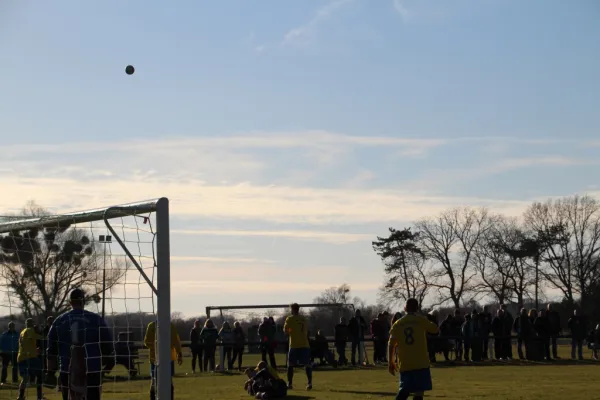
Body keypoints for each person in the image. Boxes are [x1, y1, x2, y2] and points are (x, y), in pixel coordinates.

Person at [46, 288, 113, 400]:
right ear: (84, 301)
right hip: (91, 368)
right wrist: (105, 363)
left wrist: (50, 372)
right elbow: (108, 345)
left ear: (70, 302)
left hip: (67, 369)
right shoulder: (96, 319)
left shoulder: (59, 320)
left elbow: (51, 350)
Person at [388, 298, 438, 400]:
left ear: (405, 308)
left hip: (405, 363)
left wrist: (391, 362)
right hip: (421, 363)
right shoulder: (421, 320)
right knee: (419, 393)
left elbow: (391, 344)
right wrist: (432, 318)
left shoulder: (398, 323)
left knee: (404, 391)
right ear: (417, 308)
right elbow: (435, 330)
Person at [144, 319, 183, 400]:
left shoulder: (153, 325)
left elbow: (147, 342)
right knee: (161, 380)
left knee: (158, 381)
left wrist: (179, 353)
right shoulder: (168, 326)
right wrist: (179, 353)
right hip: (162, 358)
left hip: (159, 358)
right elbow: (176, 341)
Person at [283, 303, 312, 390]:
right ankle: (309, 383)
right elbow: (306, 330)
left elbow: (286, 331)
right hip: (305, 344)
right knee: (307, 364)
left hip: (294, 345)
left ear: (292, 310)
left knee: (290, 365)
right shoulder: (303, 319)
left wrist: (291, 330)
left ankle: (290, 383)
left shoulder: (290, 319)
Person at [17, 318, 43, 400]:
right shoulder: (31, 330)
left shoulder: (22, 331)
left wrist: (34, 349)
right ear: (32, 324)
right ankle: (39, 397)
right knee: (39, 375)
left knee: (25, 378)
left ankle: (20, 396)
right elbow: (36, 337)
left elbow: (27, 343)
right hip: (30, 357)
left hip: (21, 357)